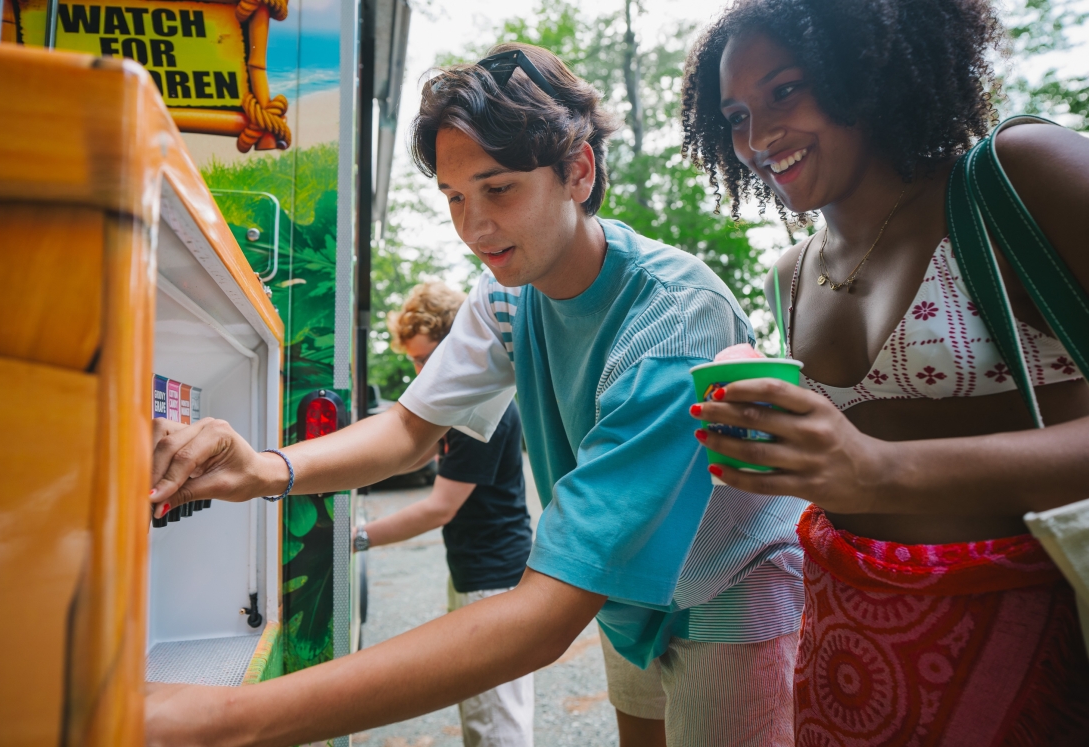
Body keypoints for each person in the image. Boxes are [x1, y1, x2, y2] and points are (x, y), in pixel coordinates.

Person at [145, 43, 807, 747]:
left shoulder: (672, 322)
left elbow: (544, 616)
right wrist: (265, 469)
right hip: (627, 588)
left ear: (578, 171)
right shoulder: (506, 296)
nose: (473, 226)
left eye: (499, 189)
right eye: (455, 197)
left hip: (730, 588)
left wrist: (226, 718)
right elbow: (407, 430)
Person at [680, 0, 1089, 743]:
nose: (758, 138)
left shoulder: (1016, 179)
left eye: (784, 89)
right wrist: (772, 440)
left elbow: (875, 468)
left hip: (1035, 663)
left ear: (863, 70)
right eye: (735, 113)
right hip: (846, 675)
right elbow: (843, 476)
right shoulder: (790, 277)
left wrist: (882, 470)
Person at [361, 280, 534, 747]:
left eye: (425, 358)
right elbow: (413, 453)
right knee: (480, 709)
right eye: (413, 360)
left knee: (495, 718)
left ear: (455, 343)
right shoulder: (457, 407)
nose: (419, 370)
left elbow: (439, 507)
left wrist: (357, 537)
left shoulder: (480, 406)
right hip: (476, 569)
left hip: (493, 577)